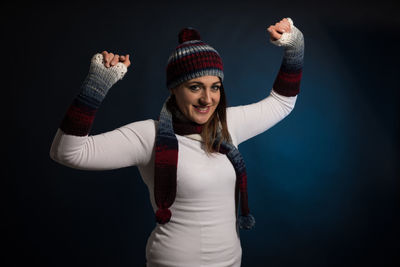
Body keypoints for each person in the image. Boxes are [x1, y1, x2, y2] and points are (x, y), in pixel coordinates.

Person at [50, 17, 304, 267]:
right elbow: (67, 152)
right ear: (174, 89)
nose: (207, 99)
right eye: (195, 87)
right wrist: (97, 86)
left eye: (214, 87)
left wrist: (295, 46)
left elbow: (283, 102)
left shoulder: (227, 125)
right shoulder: (149, 136)